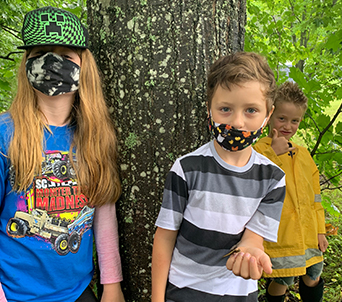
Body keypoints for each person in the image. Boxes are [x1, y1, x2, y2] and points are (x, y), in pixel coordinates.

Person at [0, 6, 125, 302]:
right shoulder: (6, 136)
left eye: (66, 57)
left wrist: (112, 285)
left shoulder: (95, 136)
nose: (53, 64)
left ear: (84, 65)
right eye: (41, 54)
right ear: (26, 64)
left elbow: (102, 213)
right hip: (15, 293)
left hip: (77, 292)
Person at [151, 52, 286, 302]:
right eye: (225, 109)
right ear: (209, 109)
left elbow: (254, 238)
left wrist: (250, 254)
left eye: (251, 110)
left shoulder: (273, 178)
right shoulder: (186, 168)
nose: (237, 122)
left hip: (239, 294)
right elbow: (165, 236)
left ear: (268, 114)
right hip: (183, 291)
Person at [253, 81, 328, 302]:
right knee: (283, 279)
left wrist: (320, 230)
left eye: (294, 121)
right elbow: (253, 184)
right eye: (282, 118)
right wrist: (273, 155)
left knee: (313, 273)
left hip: (308, 234)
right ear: (269, 115)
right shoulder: (259, 151)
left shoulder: (303, 155)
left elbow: (316, 197)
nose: (288, 126)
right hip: (282, 235)